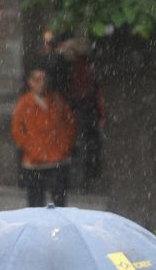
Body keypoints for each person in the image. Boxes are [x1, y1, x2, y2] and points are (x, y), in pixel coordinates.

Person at [11, 67, 77, 207]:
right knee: (35, 202)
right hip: (34, 160)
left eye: (43, 80)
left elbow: (70, 124)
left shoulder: (57, 101)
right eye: (37, 80)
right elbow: (17, 130)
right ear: (30, 82)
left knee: (59, 202)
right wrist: (32, 148)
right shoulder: (24, 103)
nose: (41, 83)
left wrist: (64, 146)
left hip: (58, 158)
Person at [59, 36, 105, 186]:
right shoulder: (82, 66)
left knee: (83, 143)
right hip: (82, 106)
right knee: (83, 143)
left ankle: (83, 176)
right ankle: (84, 177)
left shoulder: (78, 66)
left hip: (82, 106)